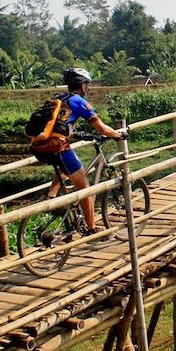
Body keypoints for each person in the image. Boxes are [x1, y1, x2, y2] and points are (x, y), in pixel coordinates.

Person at [30, 67, 127, 234]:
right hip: (58, 148)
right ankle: (92, 228)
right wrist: (118, 135)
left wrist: (80, 135)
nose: (87, 88)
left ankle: (52, 196)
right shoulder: (79, 101)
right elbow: (102, 128)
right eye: (86, 85)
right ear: (82, 86)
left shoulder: (58, 99)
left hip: (39, 147)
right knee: (86, 189)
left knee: (64, 168)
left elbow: (59, 126)